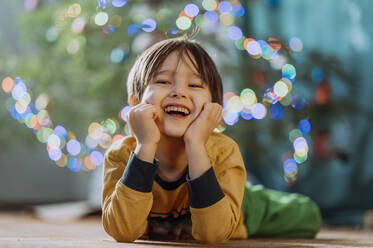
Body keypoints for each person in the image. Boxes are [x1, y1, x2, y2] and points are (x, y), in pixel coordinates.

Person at [101, 37, 322, 244]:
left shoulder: (223, 152)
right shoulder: (121, 155)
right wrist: (145, 146)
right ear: (136, 102)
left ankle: (252, 194)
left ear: (212, 108)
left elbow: (214, 234)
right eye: (163, 81)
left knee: (307, 215)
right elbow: (123, 231)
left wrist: (196, 144)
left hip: (235, 201)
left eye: (195, 85)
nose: (179, 92)